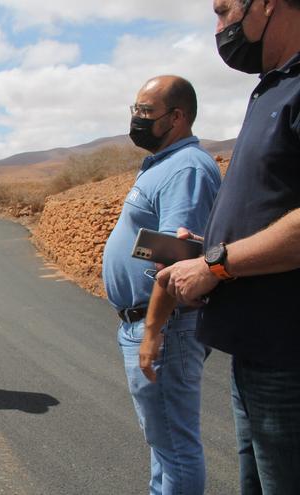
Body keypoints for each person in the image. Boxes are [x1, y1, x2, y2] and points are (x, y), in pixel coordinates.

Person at [158, 1, 300, 492]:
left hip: (288, 358)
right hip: (256, 354)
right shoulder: (272, 89)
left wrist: (215, 265)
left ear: (266, 4)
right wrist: (205, 248)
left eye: (224, 11)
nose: (220, 29)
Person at [102, 75, 221, 495]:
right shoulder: (164, 164)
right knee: (164, 442)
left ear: (177, 117)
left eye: (146, 112)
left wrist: (153, 331)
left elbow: (178, 260)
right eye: (134, 110)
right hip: (150, 325)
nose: (136, 120)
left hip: (166, 327)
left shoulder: (186, 169)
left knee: (175, 447)